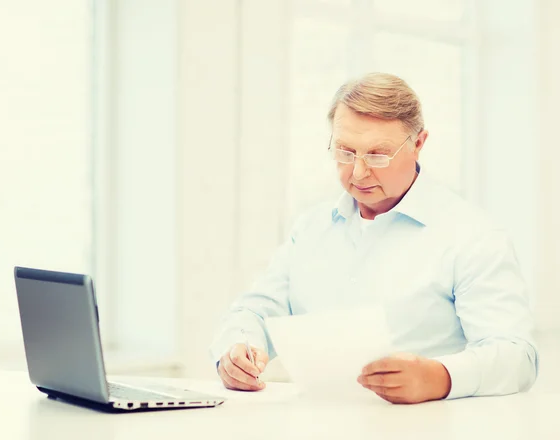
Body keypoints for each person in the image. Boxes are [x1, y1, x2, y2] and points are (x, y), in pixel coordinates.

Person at [209, 72, 538, 404]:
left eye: (378, 155)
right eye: (345, 152)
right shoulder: (311, 229)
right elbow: (255, 310)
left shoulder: (471, 236)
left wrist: (440, 377)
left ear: (419, 144)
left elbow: (516, 356)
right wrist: (236, 350)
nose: (359, 172)